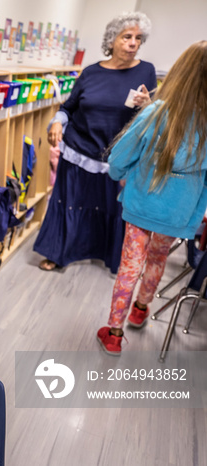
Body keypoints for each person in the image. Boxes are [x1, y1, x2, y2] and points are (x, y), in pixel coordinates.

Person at [97, 40, 207, 355]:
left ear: (180, 73)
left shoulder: (158, 112)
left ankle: (114, 333)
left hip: (143, 202)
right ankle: (141, 310)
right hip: (180, 211)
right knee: (159, 258)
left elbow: (121, 157)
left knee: (130, 264)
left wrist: (118, 176)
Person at [34, 12, 156, 272]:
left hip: (117, 158)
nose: (133, 43)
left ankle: (108, 256)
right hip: (78, 150)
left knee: (112, 208)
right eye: (127, 37)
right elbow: (67, 108)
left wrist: (148, 106)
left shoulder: (146, 71)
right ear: (112, 40)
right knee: (68, 203)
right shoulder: (91, 72)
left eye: (138, 38)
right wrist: (56, 122)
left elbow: (152, 117)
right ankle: (58, 253)